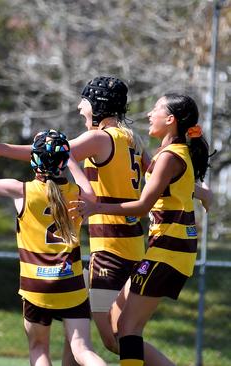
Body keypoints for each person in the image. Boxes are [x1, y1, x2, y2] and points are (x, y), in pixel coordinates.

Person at [0, 76, 157, 362]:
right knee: (79, 335)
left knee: (115, 339)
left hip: (109, 252)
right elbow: (156, 174)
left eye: (84, 101)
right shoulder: (132, 140)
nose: (79, 107)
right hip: (132, 246)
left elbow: (53, 153)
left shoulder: (99, 138)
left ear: (98, 106)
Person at [74, 93, 211, 365]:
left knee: (127, 329)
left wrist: (97, 207)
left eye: (156, 109)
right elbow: (172, 185)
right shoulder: (169, 154)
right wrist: (203, 193)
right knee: (119, 327)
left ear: (170, 120)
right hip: (164, 250)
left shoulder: (171, 156)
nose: (149, 114)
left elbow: (142, 206)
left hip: (169, 251)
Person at [0, 127, 107, 366]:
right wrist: (71, 162)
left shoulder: (22, 191)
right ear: (63, 160)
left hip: (36, 285)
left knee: (39, 349)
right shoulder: (77, 194)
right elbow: (92, 194)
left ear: (34, 161)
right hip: (71, 282)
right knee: (82, 349)